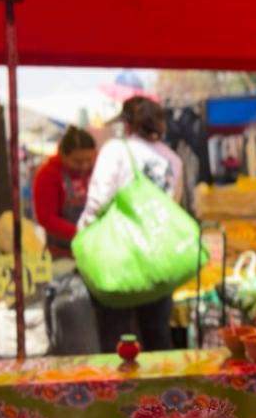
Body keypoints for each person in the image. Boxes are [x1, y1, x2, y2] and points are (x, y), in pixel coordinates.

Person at [78, 96, 183, 352]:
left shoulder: (115, 151)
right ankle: (162, 378)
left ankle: (122, 378)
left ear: (126, 124)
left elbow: (97, 203)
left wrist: (82, 238)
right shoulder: (173, 160)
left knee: (118, 338)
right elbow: (174, 207)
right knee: (157, 335)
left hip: (120, 258)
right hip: (159, 260)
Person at [32, 126, 96, 258]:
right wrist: (81, 233)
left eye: (89, 160)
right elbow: (46, 218)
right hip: (62, 253)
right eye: (78, 162)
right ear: (63, 155)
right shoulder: (48, 175)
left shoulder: (98, 169)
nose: (84, 166)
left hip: (95, 249)